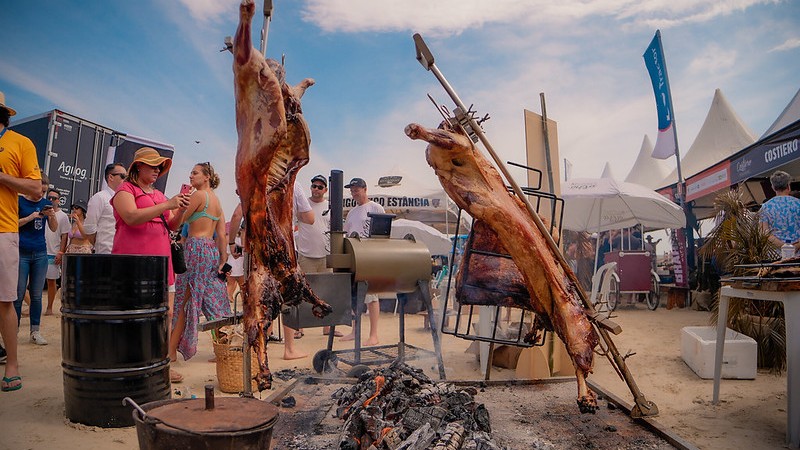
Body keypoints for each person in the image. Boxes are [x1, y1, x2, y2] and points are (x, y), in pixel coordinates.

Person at [111, 147, 189, 383]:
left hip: (162, 264)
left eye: (159, 166)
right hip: (133, 263)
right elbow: (131, 217)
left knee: (166, 314)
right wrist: (167, 206)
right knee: (133, 315)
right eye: (152, 165)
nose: (156, 170)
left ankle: (160, 364)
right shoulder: (126, 190)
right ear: (138, 167)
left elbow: (172, 225)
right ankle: (132, 364)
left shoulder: (159, 195)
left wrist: (181, 208)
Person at [168, 162, 232, 370]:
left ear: (206, 177)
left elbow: (177, 222)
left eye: (195, 173)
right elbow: (221, 235)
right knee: (213, 299)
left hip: (195, 248)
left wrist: (175, 204)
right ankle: (222, 349)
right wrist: (223, 260)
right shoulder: (216, 200)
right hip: (210, 251)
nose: (191, 176)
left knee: (183, 300)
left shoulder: (198, 195)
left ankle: (170, 353)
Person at [0, 92, 42, 391]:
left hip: (4, 229)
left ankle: (11, 364)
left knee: (5, 300)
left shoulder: (20, 143)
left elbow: (35, 188)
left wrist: (2, 177)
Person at [295, 174, 340, 337]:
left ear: (325, 190)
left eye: (320, 187)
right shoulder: (303, 204)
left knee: (326, 292)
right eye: (314, 185)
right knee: (302, 291)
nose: (316, 189)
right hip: (306, 255)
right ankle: (299, 327)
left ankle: (327, 327)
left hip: (325, 256)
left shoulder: (331, 207)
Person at [342, 177, 385, 346]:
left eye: (356, 189)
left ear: (365, 189)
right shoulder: (351, 212)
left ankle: (374, 334)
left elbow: (383, 233)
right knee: (354, 296)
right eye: (352, 190)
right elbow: (347, 234)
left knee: (372, 296)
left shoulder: (376, 208)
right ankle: (355, 331)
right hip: (354, 258)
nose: (354, 193)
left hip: (370, 257)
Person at [15, 175, 57, 347]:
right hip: (21, 251)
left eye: (45, 191)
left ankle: (35, 330)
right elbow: (11, 223)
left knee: (37, 295)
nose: (42, 195)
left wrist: (52, 215)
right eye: (40, 190)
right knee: (17, 294)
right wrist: (30, 217)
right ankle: (13, 330)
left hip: (40, 252)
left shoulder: (45, 203)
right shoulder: (19, 201)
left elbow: (53, 228)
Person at [84, 163, 127, 254]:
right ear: (111, 177)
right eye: (123, 176)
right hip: (106, 252)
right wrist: (100, 245)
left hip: (124, 251)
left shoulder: (127, 199)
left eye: (127, 177)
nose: (126, 180)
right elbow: (89, 228)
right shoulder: (100, 197)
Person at [759, 170, 800, 256]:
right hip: (798, 254)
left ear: (773, 187)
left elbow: (764, 233)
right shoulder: (798, 204)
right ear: (788, 185)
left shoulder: (766, 207)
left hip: (776, 255)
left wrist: (784, 246)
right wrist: (795, 246)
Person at [43, 188, 70, 315]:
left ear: (59, 200)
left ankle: (49, 307)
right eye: (49, 197)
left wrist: (61, 252)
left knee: (51, 281)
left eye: (54, 198)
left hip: (53, 252)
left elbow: (65, 235)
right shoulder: (42, 211)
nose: (51, 200)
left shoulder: (63, 216)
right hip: (39, 249)